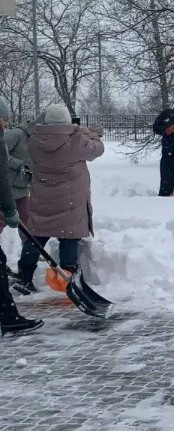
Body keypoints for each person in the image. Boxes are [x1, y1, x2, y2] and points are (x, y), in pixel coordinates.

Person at [14, 105, 104, 294]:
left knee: (36, 236)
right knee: (68, 235)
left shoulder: (35, 140)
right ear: (67, 121)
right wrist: (92, 134)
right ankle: (67, 277)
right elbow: (97, 150)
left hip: (42, 197)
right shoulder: (76, 140)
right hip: (69, 200)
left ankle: (25, 276)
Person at [0, 97, 43, 335]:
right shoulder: (11, 136)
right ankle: (8, 318)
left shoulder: (31, 139)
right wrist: (8, 209)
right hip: (9, 193)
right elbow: (1, 172)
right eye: (3, 118)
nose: (5, 123)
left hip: (17, 190)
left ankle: (9, 317)